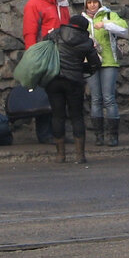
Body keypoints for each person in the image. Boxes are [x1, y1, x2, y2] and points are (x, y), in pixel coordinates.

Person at [73, 0, 129, 147]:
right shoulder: (82, 19)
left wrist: (105, 25)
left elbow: (124, 29)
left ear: (99, 2)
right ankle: (99, 135)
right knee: (96, 99)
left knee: (109, 98)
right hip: (90, 62)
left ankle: (113, 135)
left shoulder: (109, 15)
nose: (92, 5)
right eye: (89, 2)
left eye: (94, 1)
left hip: (109, 62)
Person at [21, 0, 70, 143]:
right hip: (44, 53)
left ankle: (58, 133)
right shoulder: (34, 4)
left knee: (59, 93)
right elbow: (30, 31)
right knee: (44, 94)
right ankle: (45, 133)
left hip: (61, 53)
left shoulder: (62, 3)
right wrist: (32, 55)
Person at [44, 21, 100, 164]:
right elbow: (95, 64)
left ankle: (60, 155)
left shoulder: (56, 34)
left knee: (57, 115)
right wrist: (83, 68)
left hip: (54, 80)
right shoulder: (86, 41)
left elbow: (44, 45)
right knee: (76, 116)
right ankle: (80, 155)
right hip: (74, 81)